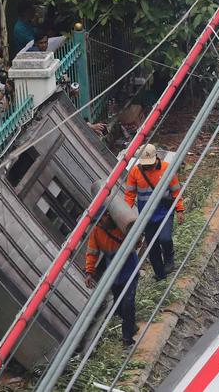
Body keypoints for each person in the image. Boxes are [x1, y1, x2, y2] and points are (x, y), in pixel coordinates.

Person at [124, 144, 185, 281]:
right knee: (153, 248)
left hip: (164, 212)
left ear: (156, 158)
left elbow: (176, 190)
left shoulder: (166, 168)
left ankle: (169, 260)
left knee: (165, 238)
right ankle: (160, 274)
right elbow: (129, 195)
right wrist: (126, 214)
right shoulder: (135, 172)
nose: (148, 168)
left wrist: (180, 209)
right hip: (147, 217)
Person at [85, 211, 140, 346]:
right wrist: (89, 272)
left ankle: (127, 338)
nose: (100, 224)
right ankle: (131, 324)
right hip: (114, 272)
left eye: (101, 220)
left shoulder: (121, 225)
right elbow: (92, 252)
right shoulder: (97, 232)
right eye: (97, 222)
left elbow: (136, 237)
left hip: (129, 266)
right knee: (118, 307)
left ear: (108, 215)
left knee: (128, 303)